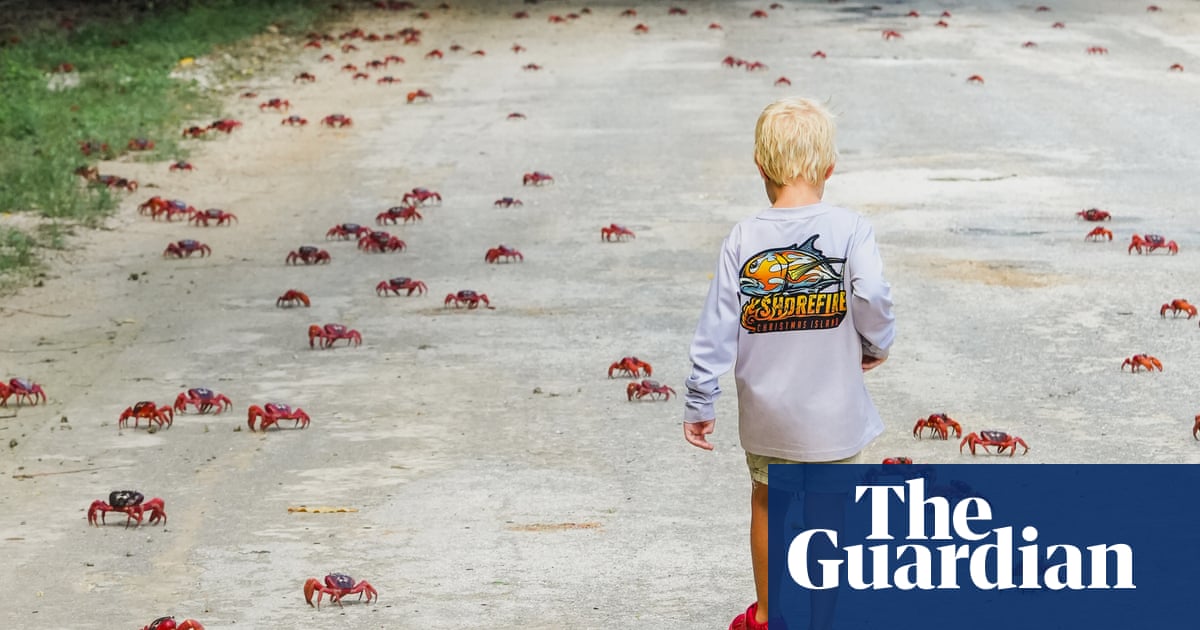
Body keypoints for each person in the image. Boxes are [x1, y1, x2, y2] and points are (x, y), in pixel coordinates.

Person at [682, 96, 895, 630]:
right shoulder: (851, 229)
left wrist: (700, 399)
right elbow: (872, 295)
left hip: (768, 415)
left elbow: (715, 326)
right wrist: (876, 344)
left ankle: (767, 616)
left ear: (760, 166)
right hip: (834, 416)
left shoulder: (743, 237)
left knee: (767, 503)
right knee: (828, 516)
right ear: (830, 167)